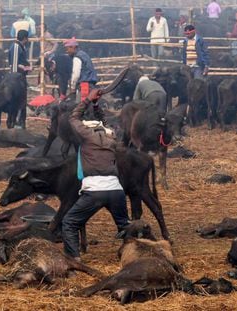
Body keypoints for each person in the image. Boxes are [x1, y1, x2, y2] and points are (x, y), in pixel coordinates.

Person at [63, 88, 130, 260]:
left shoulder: (87, 137)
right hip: (116, 190)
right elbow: (106, 124)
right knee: (125, 226)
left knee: (69, 223)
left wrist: (87, 100)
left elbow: (73, 118)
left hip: (94, 190)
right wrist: (96, 105)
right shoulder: (112, 139)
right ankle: (135, 253)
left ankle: (74, 260)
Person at [64, 37, 98, 102]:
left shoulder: (77, 57)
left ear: (73, 47)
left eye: (67, 49)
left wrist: (73, 87)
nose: (67, 51)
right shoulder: (84, 55)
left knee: (81, 107)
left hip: (84, 86)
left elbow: (76, 74)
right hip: (91, 85)